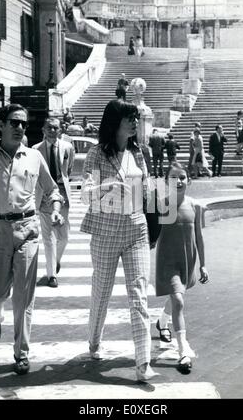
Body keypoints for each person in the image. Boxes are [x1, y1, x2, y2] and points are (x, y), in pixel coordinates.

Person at [0, 104, 63, 375]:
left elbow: (51, 189)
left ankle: (21, 353)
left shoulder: (34, 156)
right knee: (0, 289)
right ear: (0, 126)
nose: (20, 128)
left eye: (23, 123)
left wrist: (56, 210)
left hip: (28, 229)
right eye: (13, 122)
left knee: (24, 297)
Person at [80, 99, 159, 382]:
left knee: (139, 294)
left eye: (136, 118)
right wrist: (108, 186)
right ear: (116, 121)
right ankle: (94, 340)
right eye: (130, 117)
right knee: (101, 291)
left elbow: (147, 188)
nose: (135, 122)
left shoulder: (139, 152)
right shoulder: (97, 153)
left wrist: (154, 202)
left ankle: (143, 362)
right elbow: (85, 193)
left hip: (136, 228)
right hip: (105, 232)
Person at [155, 162, 209, 371]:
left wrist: (203, 265)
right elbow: (149, 231)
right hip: (167, 260)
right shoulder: (160, 205)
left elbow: (200, 237)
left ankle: (162, 322)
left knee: (177, 298)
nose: (178, 181)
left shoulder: (195, 205)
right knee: (178, 299)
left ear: (189, 180)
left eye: (183, 177)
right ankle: (183, 350)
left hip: (187, 259)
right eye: (173, 177)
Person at [33, 117, 75, 288]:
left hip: (62, 194)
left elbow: (69, 169)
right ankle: (51, 275)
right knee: (48, 237)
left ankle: (56, 260)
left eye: (55, 128)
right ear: (43, 129)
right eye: (49, 128)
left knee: (64, 236)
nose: (52, 131)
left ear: (60, 130)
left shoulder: (68, 147)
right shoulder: (36, 149)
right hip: (43, 196)